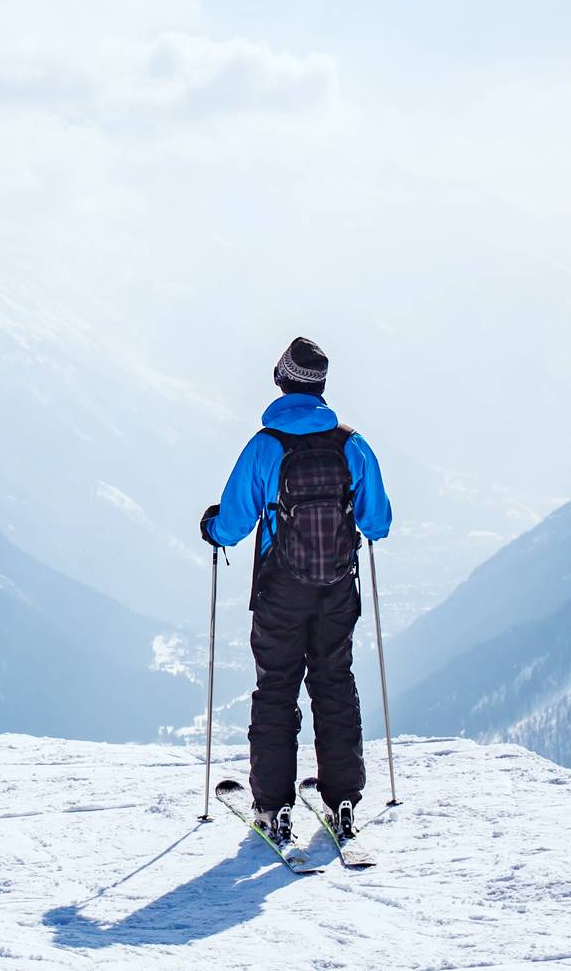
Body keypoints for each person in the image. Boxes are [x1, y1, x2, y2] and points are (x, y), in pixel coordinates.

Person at [199, 336, 391, 847]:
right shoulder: (352, 445)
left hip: (280, 591)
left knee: (276, 691)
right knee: (334, 685)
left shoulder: (266, 446)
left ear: (282, 382)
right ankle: (343, 798)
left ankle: (273, 807)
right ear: (322, 387)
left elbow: (234, 522)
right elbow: (378, 521)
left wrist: (212, 528)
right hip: (336, 588)